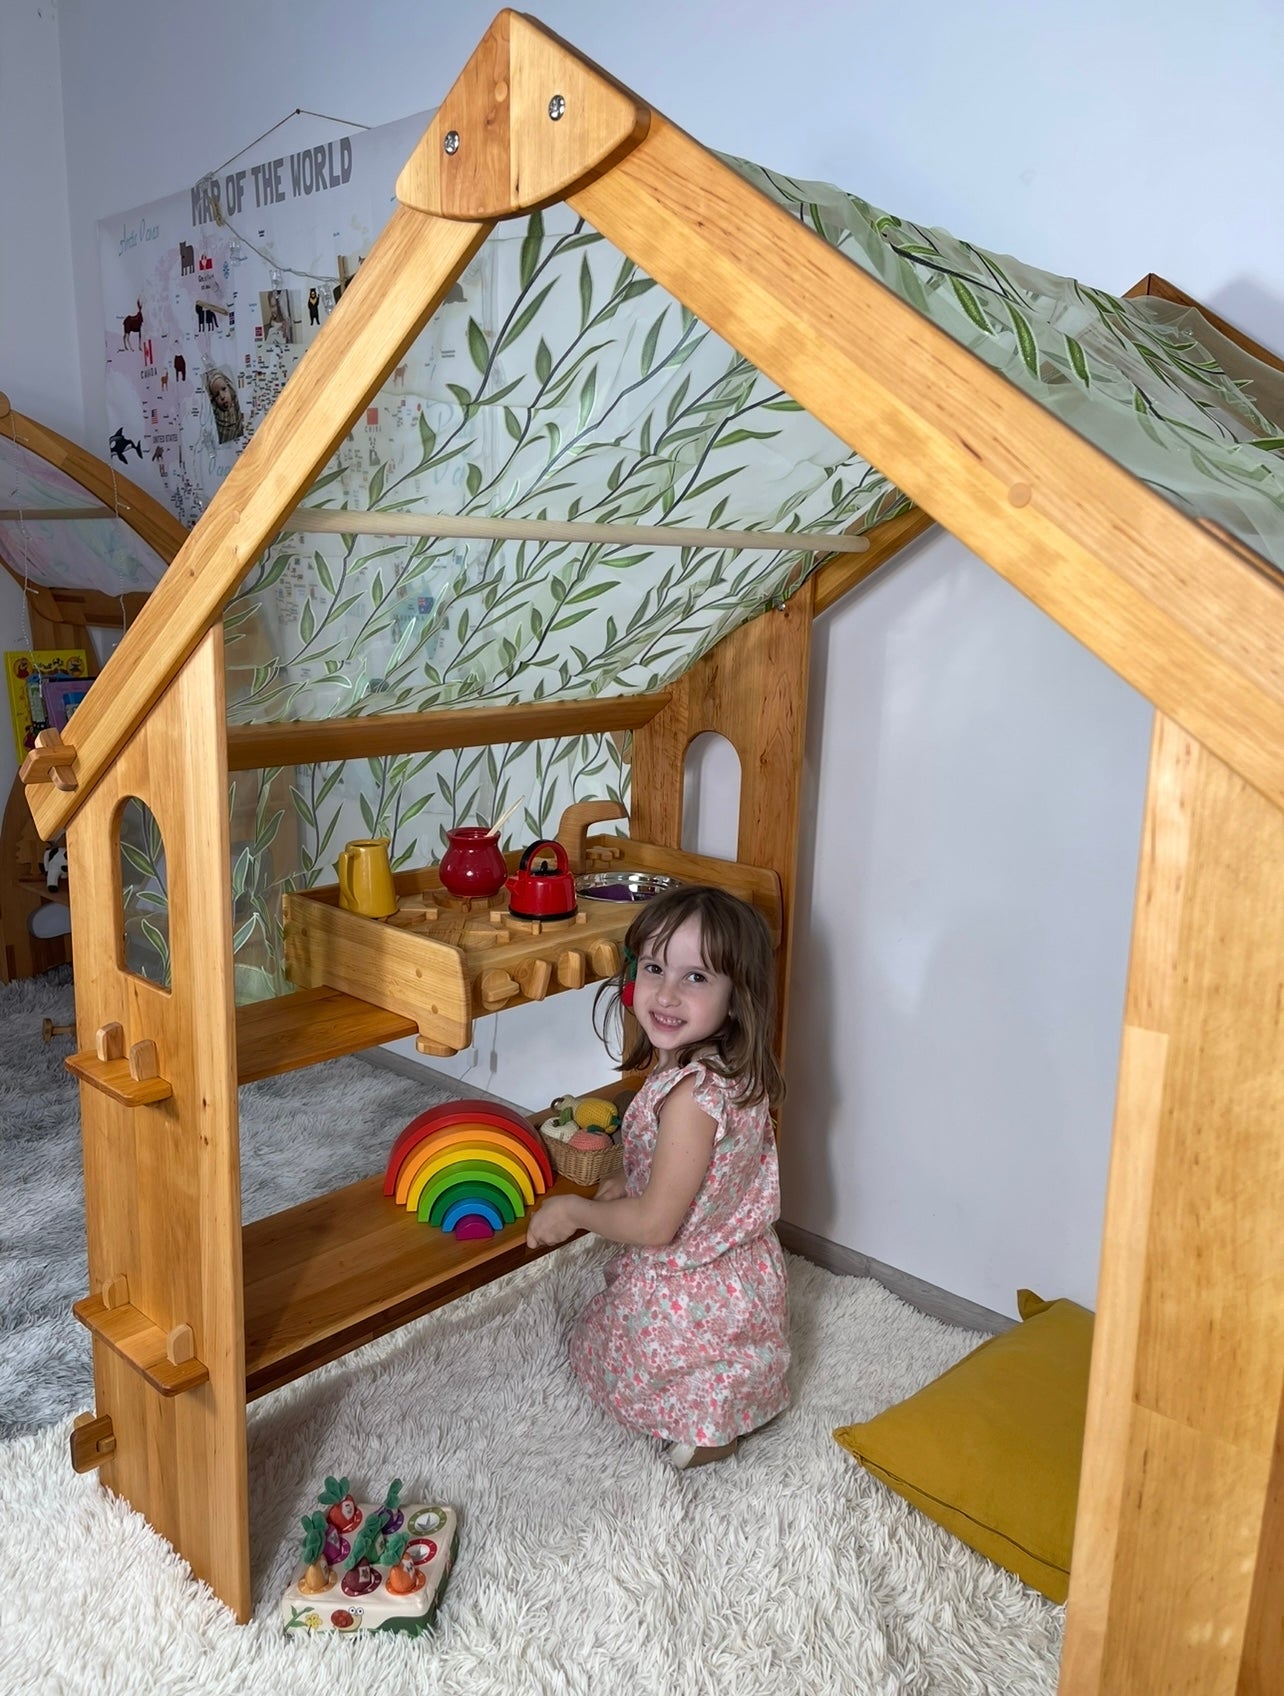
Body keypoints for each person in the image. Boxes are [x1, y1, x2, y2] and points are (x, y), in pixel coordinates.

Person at [526, 884, 790, 1469]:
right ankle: (721, 1392)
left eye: (695, 977)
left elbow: (653, 1226)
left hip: (696, 1288)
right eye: (654, 968)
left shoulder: (693, 1098)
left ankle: (708, 1422)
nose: (666, 994)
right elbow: (710, 1171)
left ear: (736, 996)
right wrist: (633, 1175)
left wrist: (574, 1212)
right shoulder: (726, 1069)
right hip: (742, 1277)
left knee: (597, 1349)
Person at [205, 368, 243, 443]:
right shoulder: (217, 412)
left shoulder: (236, 404)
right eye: (217, 395)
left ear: (229, 388)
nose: (222, 396)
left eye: (224, 389)